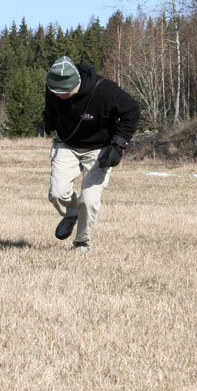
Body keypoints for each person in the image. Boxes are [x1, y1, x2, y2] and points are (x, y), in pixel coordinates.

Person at [43, 56, 140, 252]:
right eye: (55, 92)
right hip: (66, 144)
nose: (58, 95)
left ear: (76, 84)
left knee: (89, 200)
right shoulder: (54, 87)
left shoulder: (105, 91)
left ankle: (81, 243)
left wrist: (118, 145)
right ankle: (71, 215)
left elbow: (132, 111)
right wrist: (49, 120)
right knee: (57, 193)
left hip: (99, 148)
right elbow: (51, 108)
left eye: (64, 92)